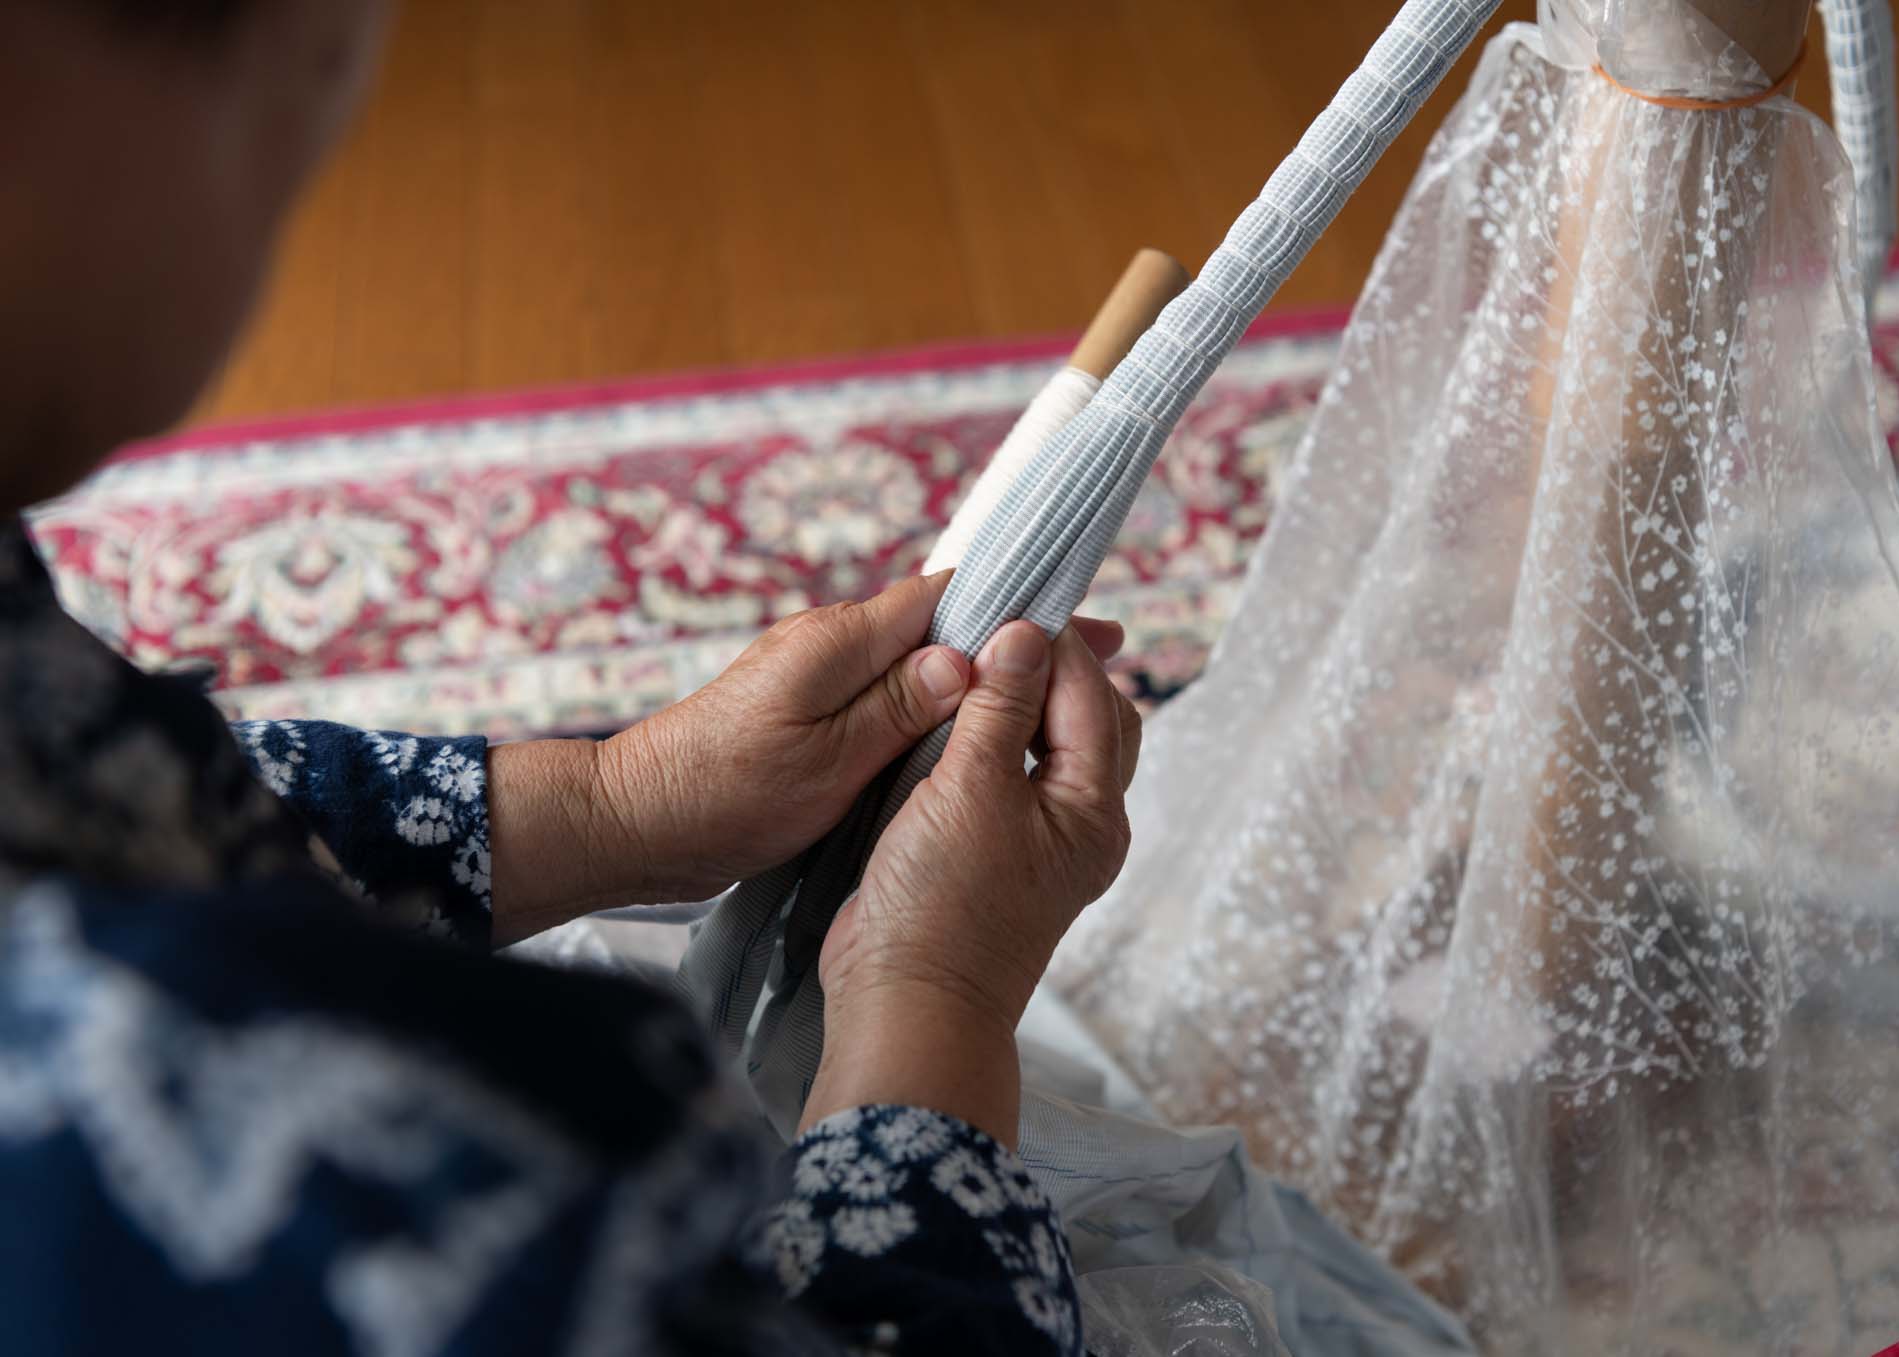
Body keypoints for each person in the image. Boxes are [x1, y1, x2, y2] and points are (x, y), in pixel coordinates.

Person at [0, 2, 1142, 1353]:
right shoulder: (338, 1170)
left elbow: (106, 792)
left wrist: (615, 802)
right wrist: (933, 995)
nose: (335, 92)